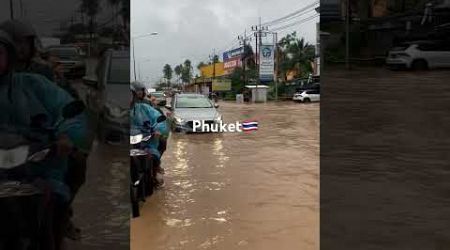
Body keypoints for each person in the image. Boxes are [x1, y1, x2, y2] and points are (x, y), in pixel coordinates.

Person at [0, 30, 89, 249]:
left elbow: (69, 110)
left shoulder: (35, 82)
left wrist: (67, 135)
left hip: (38, 166)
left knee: (61, 189)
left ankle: (58, 229)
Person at [130, 82, 165, 186]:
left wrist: (158, 130)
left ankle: (154, 172)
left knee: (155, 152)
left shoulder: (145, 106)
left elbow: (158, 118)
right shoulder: (116, 110)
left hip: (146, 139)